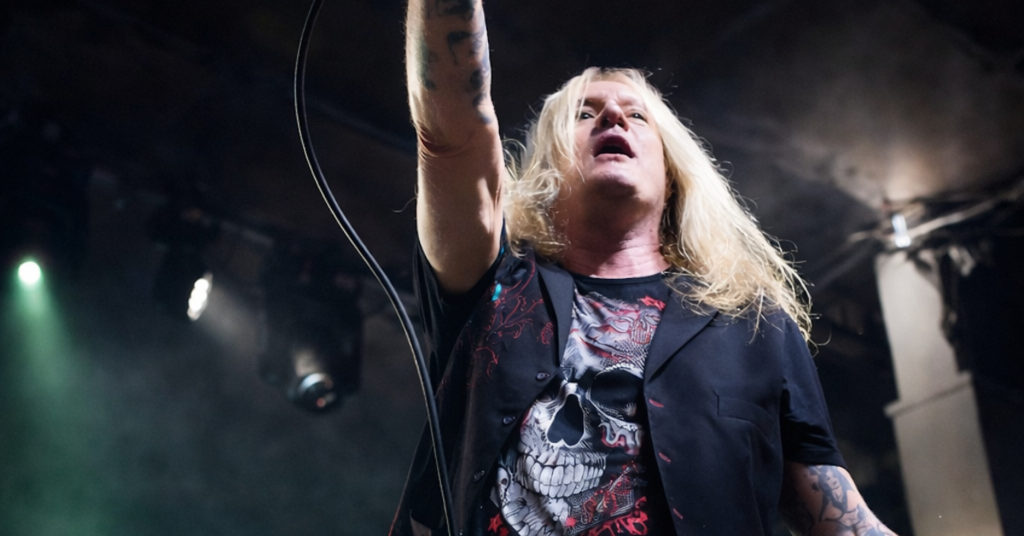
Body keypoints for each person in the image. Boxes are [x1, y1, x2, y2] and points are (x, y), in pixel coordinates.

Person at [393, 1, 898, 535]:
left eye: (637, 116)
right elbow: (453, 129)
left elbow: (841, 521)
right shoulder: (493, 279)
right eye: (584, 114)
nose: (613, 116)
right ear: (548, 166)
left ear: (671, 172)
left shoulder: (753, 325)